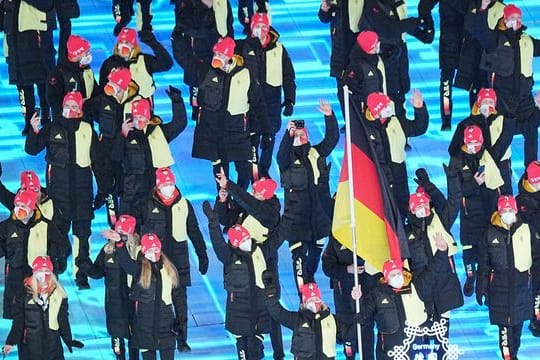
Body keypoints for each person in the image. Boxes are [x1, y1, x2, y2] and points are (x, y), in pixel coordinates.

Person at [25, 91, 111, 290]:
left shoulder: (87, 129)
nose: (70, 110)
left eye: (74, 107)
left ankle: (81, 275)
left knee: (82, 236)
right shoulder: (51, 128)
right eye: (67, 106)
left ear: (80, 110)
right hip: (59, 195)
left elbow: (97, 162)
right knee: (57, 236)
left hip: (82, 195)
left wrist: (103, 191)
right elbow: (31, 149)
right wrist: (34, 130)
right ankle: (56, 269)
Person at [172, 32, 269, 190]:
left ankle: (239, 199)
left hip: (237, 131)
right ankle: (224, 202)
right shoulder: (205, 70)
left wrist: (265, 132)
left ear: (230, 56)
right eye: (215, 53)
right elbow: (186, 61)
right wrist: (177, 41)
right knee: (220, 173)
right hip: (213, 132)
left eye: (220, 54)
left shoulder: (245, 75)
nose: (216, 56)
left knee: (244, 171)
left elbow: (258, 103)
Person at [203, 201, 284, 360]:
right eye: (243, 240)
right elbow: (218, 243)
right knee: (243, 354)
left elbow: (279, 237)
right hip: (238, 318)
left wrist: (289, 217)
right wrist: (213, 223)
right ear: (235, 244)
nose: (248, 242)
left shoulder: (260, 250)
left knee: (255, 353)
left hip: (258, 317)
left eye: (247, 238)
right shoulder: (229, 258)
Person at [140, 167, 209, 353]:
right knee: (159, 301)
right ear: (158, 186)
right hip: (156, 261)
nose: (168, 188)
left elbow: (194, 231)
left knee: (180, 301)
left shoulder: (184, 204)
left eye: (170, 184)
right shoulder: (148, 205)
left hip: (178, 262)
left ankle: (182, 338)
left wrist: (202, 255)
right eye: (164, 185)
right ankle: (157, 335)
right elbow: (142, 232)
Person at [277, 100, 338, 290]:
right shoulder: (287, 159)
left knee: (312, 261)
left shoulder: (317, 153)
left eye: (303, 134)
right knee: (299, 263)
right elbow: (280, 155)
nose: (300, 137)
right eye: (297, 134)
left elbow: (332, 139)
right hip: (296, 220)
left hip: (319, 220)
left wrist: (329, 116)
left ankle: (311, 286)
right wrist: (288, 134)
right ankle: (304, 299)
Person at [352, 248, 449, 360]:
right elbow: (363, 316)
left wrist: (442, 252)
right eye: (392, 275)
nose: (397, 277)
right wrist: (357, 300)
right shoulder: (377, 294)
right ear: (386, 277)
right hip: (390, 350)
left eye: (398, 273)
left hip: (415, 345)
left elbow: (433, 272)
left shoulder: (416, 285)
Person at [474, 3, 540, 167]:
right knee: (502, 135)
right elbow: (480, 32)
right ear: (504, 18)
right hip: (503, 98)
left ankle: (531, 170)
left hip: (524, 97)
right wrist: (482, 10)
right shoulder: (496, 38)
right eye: (512, 18)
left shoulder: (526, 40)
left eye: (518, 18)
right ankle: (499, 168)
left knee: (532, 130)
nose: (515, 21)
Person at [476, 195, 540, 360]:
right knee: (504, 329)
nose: (508, 213)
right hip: (498, 290)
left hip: (521, 288)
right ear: (499, 211)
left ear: (516, 210)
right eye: (504, 210)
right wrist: (481, 287)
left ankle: (514, 353)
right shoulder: (490, 234)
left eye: (510, 210)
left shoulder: (527, 230)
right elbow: (484, 264)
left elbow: (537, 257)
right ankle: (509, 356)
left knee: (517, 326)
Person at [406, 180, 464, 359]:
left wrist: (430, 185)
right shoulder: (406, 234)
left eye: (425, 206)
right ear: (412, 210)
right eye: (419, 207)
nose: (423, 210)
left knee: (442, 339)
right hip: (422, 291)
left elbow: (454, 202)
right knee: (420, 341)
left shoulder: (441, 222)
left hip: (443, 288)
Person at [113, 89, 186, 226]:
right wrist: (122, 135)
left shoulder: (158, 132)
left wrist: (177, 101)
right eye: (136, 117)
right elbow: (115, 156)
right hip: (132, 193)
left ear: (148, 117)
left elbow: (179, 124)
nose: (139, 121)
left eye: (142, 117)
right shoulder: (126, 133)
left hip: (154, 191)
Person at [446, 124, 504, 297]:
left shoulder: (487, 156)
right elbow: (455, 191)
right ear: (465, 141)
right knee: (469, 250)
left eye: (477, 143)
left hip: (487, 210)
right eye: (471, 143)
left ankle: (484, 279)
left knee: (487, 248)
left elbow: (497, 184)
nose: (474, 147)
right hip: (468, 213)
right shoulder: (456, 160)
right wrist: (474, 184)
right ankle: (470, 277)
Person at [237, 12, 296, 178]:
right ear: (251, 28)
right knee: (252, 140)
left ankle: (264, 172)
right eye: (257, 26)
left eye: (264, 26)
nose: (261, 30)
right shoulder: (243, 47)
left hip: (272, 103)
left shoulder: (279, 49)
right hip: (250, 103)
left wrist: (290, 99)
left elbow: (288, 76)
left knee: (269, 140)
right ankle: (254, 173)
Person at [0, 189, 70, 319]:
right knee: (16, 316)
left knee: (39, 317)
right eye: (17, 205)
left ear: (32, 208)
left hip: (39, 278)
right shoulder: (6, 227)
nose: (19, 210)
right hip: (15, 276)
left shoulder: (46, 226)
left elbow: (64, 247)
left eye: (23, 206)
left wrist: (50, 256)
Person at [77, 214, 140, 360]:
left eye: (122, 234)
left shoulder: (137, 251)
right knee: (117, 340)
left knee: (134, 340)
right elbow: (98, 272)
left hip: (132, 303)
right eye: (117, 233)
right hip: (113, 303)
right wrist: (84, 264)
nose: (118, 236)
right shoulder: (107, 250)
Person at [362, 91, 429, 220]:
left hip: (399, 178)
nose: (389, 109)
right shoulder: (364, 129)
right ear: (376, 111)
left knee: (402, 212)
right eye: (385, 107)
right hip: (378, 182)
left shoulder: (397, 121)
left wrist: (419, 109)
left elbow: (419, 128)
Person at [359, 0, 433, 118]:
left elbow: (400, 23)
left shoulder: (396, 2)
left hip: (399, 57)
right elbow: (388, 29)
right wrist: (418, 21)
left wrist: (423, 33)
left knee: (400, 94)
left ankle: (400, 126)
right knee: (390, 97)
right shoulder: (372, 4)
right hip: (384, 59)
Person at [113, 232, 180, 360]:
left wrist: (180, 325)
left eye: (156, 249)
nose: (153, 253)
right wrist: (119, 244)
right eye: (150, 250)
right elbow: (127, 263)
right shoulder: (139, 270)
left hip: (165, 328)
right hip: (145, 329)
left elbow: (179, 298)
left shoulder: (169, 270)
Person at [2, 256, 84, 359]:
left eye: (47, 270)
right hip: (30, 347)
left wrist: (68, 339)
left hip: (53, 346)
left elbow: (62, 319)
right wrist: (11, 342)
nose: (44, 274)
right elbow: (18, 321)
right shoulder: (23, 293)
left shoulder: (59, 293)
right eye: (40, 270)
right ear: (34, 271)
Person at [0, 0, 59, 134]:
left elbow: (47, 4)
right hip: (13, 39)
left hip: (37, 37)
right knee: (22, 84)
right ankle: (29, 121)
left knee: (44, 81)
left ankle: (47, 116)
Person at [171, 0, 234, 120]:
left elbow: (226, 27)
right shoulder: (185, 4)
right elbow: (182, 26)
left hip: (215, 56)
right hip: (194, 55)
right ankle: (198, 110)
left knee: (216, 96)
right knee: (197, 98)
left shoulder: (222, 3)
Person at [448, 88, 515, 194]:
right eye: (484, 101)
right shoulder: (466, 124)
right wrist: (469, 158)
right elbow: (453, 149)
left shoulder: (502, 120)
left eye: (490, 102)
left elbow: (506, 138)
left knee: (505, 198)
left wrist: (511, 119)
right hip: (476, 167)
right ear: (478, 103)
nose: (487, 105)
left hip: (501, 164)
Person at [322, 231, 377, 360]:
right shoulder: (336, 239)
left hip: (366, 300)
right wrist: (347, 269)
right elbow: (327, 267)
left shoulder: (367, 232)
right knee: (349, 347)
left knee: (367, 342)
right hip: (344, 303)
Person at [263, 274, 340, 360]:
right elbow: (278, 313)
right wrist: (270, 294)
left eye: (316, 299)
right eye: (310, 300)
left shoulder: (332, 319)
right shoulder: (297, 319)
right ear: (304, 303)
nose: (314, 302)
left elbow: (346, 334)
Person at [418, 0, 468, 130]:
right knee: (447, 82)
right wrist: (428, 26)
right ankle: (446, 120)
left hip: (466, 40)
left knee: (474, 81)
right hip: (454, 40)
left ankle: (448, 120)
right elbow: (424, 6)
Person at [454, 0, 505, 110]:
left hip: (490, 60)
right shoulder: (472, 5)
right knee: (475, 90)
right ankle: (475, 118)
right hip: (474, 58)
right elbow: (469, 28)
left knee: (490, 89)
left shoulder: (501, 9)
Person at [100, 27, 173, 100]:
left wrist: (153, 43)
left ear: (134, 45)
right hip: (119, 107)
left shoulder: (144, 60)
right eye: (121, 42)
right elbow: (103, 87)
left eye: (127, 42)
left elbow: (166, 64)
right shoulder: (109, 63)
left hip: (142, 106)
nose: (123, 46)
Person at [318, 0, 363, 112]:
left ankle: (360, 122)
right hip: (340, 50)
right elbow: (325, 17)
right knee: (342, 90)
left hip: (358, 47)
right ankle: (349, 122)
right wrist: (325, 7)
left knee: (360, 86)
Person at [0, 168, 67, 235]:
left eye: (34, 190)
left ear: (39, 189)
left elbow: (63, 228)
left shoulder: (55, 204)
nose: (31, 195)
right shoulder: (17, 203)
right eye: (27, 190)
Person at [46, 34, 98, 118]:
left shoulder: (86, 69)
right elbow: (52, 99)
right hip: (65, 121)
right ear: (78, 54)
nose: (89, 54)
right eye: (87, 52)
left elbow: (95, 91)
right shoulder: (58, 73)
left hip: (85, 117)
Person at [341, 31, 387, 110]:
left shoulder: (374, 62)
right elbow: (350, 90)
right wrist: (370, 101)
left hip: (377, 109)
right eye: (375, 45)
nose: (378, 46)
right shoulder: (356, 67)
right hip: (365, 114)